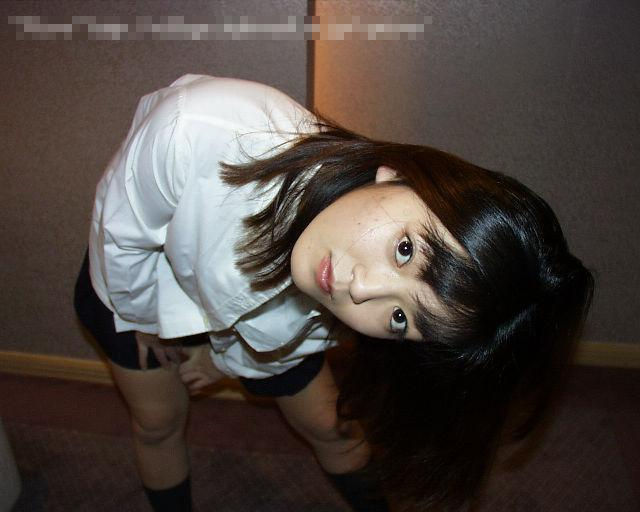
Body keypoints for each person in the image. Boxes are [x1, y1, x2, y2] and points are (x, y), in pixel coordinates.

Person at [74, 74, 594, 512]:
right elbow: (120, 237)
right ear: (397, 177)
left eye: (401, 319)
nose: (361, 291)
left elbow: (278, 335)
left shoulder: (339, 270)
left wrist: (220, 360)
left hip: (268, 327)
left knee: (333, 427)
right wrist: (147, 321)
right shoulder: (199, 127)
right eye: (406, 250)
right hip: (141, 284)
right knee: (158, 422)